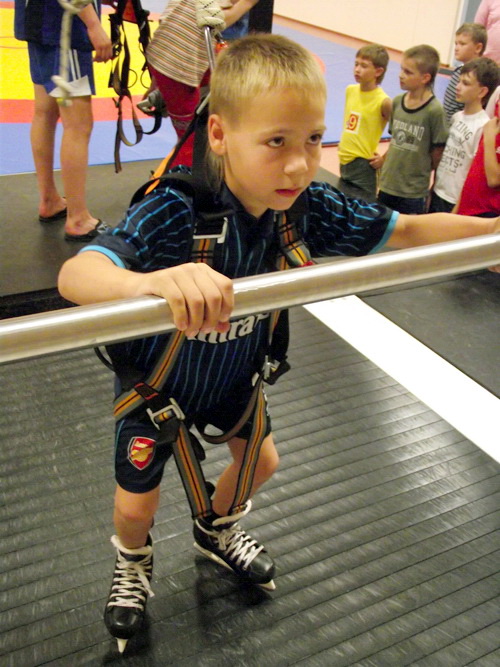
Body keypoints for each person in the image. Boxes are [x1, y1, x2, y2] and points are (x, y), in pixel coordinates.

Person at [57, 34, 500, 652]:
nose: (298, 165)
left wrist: (490, 233)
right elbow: (76, 275)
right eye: (276, 143)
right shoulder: (175, 210)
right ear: (219, 135)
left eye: (313, 140)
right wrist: (148, 283)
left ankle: (215, 529)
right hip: (159, 389)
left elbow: (403, 231)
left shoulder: (304, 207)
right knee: (135, 508)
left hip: (234, 378)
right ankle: (133, 561)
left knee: (262, 464)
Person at [14, 0, 113, 240]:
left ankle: (49, 200)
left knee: (45, 111)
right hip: (64, 25)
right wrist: (93, 24)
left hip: (37, 20)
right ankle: (78, 219)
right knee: (79, 124)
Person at [146, 0, 259, 167]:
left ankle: (195, 165)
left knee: (201, 129)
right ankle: (184, 172)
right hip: (177, 71)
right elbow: (217, 21)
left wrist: (156, 82)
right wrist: (247, 4)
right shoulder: (213, 12)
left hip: (168, 61)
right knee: (190, 138)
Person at [377, 44, 448, 214]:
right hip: (388, 185)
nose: (401, 75)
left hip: (412, 192)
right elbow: (395, 140)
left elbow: (437, 154)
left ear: (425, 78)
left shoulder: (434, 111)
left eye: (408, 72)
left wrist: (430, 184)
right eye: (402, 69)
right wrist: (383, 163)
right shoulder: (397, 102)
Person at [430, 57, 499, 213]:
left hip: (455, 200)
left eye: (466, 83)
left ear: (482, 91)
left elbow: (472, 172)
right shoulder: (457, 117)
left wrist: (457, 208)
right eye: (459, 81)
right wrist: (434, 187)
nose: (458, 87)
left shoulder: (482, 126)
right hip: (439, 192)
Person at [337, 44, 392, 198]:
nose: (357, 69)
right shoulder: (350, 90)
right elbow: (352, 122)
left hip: (363, 164)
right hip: (344, 159)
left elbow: (401, 134)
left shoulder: (383, 102)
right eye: (356, 64)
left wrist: (384, 159)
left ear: (378, 71)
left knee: (363, 207)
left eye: (364, 66)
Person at [455, 108, 500, 217]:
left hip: (487, 214)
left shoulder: (490, 130)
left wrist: (489, 138)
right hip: (467, 208)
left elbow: (494, 180)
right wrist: (457, 209)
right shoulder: (493, 125)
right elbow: (474, 168)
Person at [442, 23, 488, 123]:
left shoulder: (481, 78)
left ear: (478, 48)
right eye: (456, 44)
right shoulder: (458, 71)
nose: (456, 48)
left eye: (462, 44)